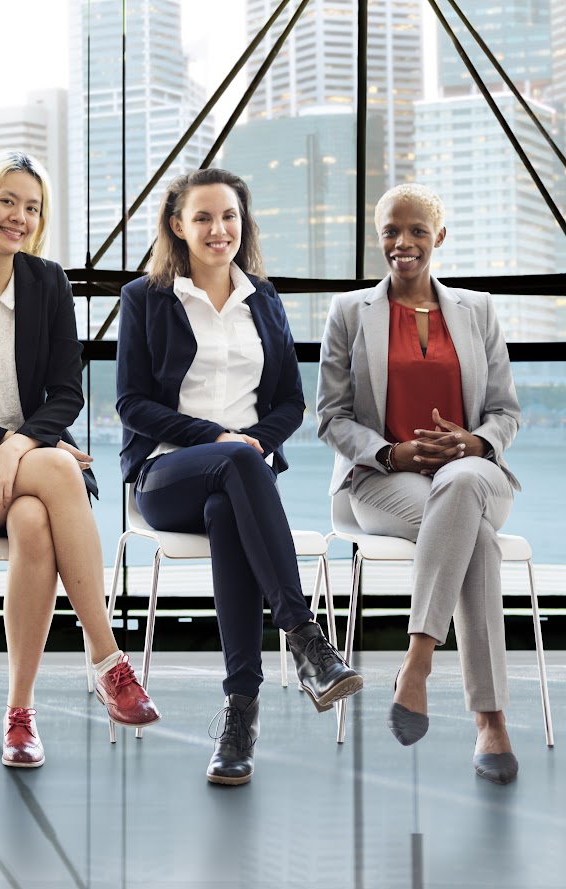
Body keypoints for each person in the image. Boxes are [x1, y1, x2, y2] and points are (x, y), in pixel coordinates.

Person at [0, 150, 159, 769]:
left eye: (32, 207)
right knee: (61, 468)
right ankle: (107, 658)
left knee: (34, 521)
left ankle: (20, 716)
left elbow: (67, 391)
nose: (19, 216)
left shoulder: (48, 284)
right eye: (7, 201)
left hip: (33, 473)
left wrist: (19, 445)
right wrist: (7, 446)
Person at [117, 168, 362, 786]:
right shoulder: (145, 298)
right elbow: (132, 403)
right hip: (165, 472)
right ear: (178, 226)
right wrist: (221, 440)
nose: (217, 229)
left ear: (242, 223)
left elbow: (288, 403)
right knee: (239, 464)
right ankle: (306, 638)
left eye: (228, 216)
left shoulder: (265, 299)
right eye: (202, 217)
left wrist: (250, 444)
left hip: (240, 479)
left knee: (232, 505)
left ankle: (239, 715)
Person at [317, 183, 522, 784]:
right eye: (390, 231)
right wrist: (394, 449)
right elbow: (331, 416)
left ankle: (417, 664)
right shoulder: (351, 312)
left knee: (460, 486)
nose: (402, 243)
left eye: (416, 231)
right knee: (474, 541)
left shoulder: (478, 310)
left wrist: (474, 443)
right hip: (384, 479)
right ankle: (490, 721)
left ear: (439, 237)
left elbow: (506, 411)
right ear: (378, 236)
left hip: (476, 474)